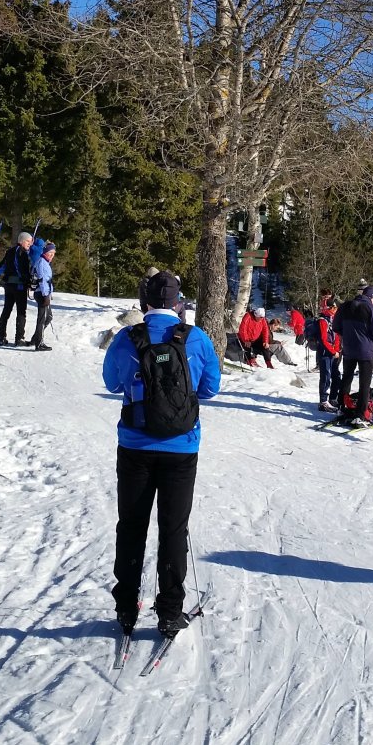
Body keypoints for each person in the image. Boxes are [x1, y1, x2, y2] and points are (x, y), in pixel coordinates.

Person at [103, 271, 221, 637]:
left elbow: (111, 383)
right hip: (181, 448)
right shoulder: (196, 338)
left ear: (146, 302)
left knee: (132, 524)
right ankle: (170, 611)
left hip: (135, 446)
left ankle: (126, 607)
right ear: (178, 302)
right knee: (173, 528)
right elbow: (211, 388)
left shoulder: (127, 338)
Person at [332, 285, 373, 425]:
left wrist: (347, 334)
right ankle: (360, 415)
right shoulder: (371, 309)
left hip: (348, 349)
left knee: (346, 379)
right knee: (364, 384)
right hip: (365, 351)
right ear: (372, 297)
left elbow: (335, 326)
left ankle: (342, 408)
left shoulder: (345, 306)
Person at [0, 231, 35, 346]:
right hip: (19, 286)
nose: (30, 244)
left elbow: (2, 266)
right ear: (22, 241)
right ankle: (19, 338)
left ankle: (1, 337)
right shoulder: (22, 253)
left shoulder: (10, 251)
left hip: (8, 286)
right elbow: (22, 270)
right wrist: (27, 280)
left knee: (6, 310)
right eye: (28, 241)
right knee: (21, 312)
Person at [310, 304, 341, 410]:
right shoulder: (323, 321)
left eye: (336, 308)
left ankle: (333, 398)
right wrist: (333, 351)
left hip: (332, 352)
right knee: (325, 377)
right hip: (324, 352)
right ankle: (323, 401)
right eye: (333, 308)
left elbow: (336, 335)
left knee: (336, 376)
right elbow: (323, 339)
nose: (335, 310)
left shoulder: (332, 319)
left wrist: (336, 350)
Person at [28, 240, 56, 351]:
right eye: (50, 253)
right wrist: (45, 295)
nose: (52, 255)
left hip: (44, 293)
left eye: (53, 253)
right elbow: (42, 280)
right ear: (45, 252)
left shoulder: (45, 262)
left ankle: (36, 338)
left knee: (48, 317)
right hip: (41, 293)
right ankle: (38, 343)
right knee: (42, 319)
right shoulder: (42, 263)